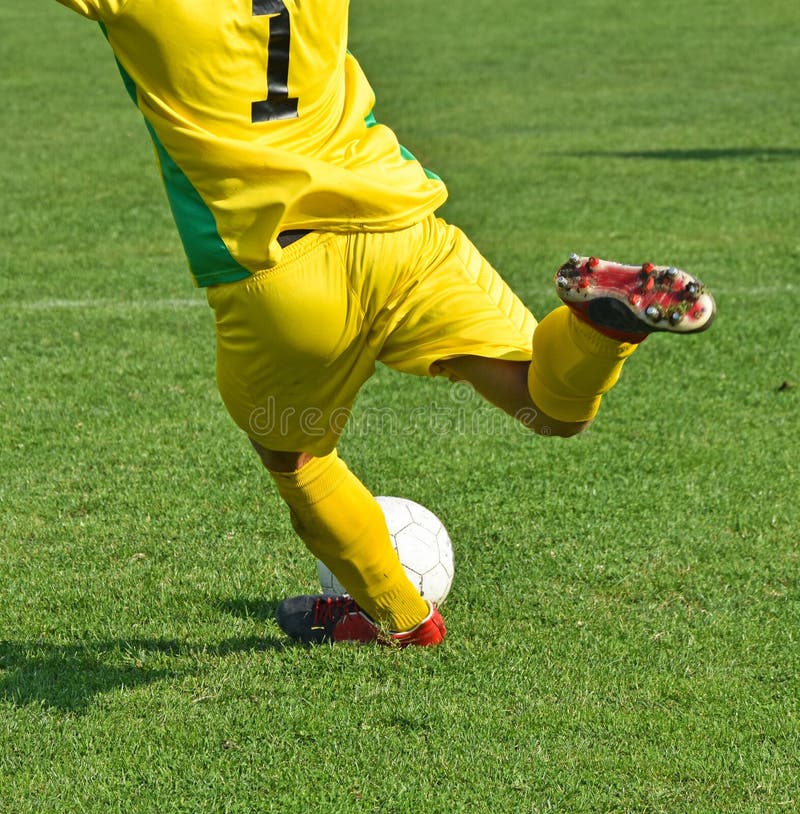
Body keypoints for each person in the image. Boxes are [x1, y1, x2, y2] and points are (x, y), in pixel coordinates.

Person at [54, 0, 715, 647]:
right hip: (402, 231)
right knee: (549, 408)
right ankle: (604, 330)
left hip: (279, 273)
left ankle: (404, 620)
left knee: (297, 461)